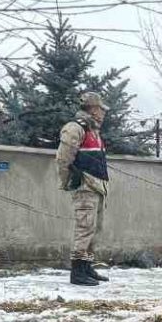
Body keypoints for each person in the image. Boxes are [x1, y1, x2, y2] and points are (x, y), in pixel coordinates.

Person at [54, 90, 111, 287]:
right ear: (93, 109)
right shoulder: (75, 128)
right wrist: (69, 181)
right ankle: (77, 272)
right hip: (85, 186)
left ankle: (87, 267)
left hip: (98, 187)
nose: (103, 113)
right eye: (101, 109)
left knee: (94, 229)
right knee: (84, 228)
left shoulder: (93, 131)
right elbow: (63, 158)